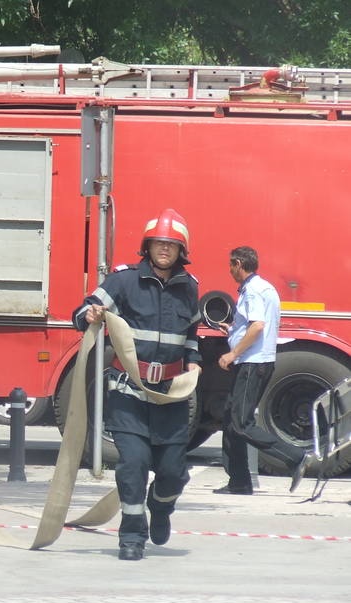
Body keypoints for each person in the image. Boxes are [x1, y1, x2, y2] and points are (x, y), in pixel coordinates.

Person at [72, 208, 202, 561]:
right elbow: (83, 312)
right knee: (133, 466)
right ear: (148, 246)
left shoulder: (190, 288)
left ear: (180, 251)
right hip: (128, 394)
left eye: (171, 245)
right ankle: (131, 535)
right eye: (159, 243)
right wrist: (89, 315)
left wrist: (194, 360)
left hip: (171, 397)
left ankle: (160, 509)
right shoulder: (124, 280)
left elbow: (191, 335)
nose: (164, 250)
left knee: (173, 473)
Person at [214, 246, 314, 495]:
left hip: (252, 362)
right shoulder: (264, 287)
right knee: (230, 419)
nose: (230, 270)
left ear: (239, 263)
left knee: (240, 423)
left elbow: (258, 325)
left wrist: (233, 353)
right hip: (257, 361)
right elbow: (254, 325)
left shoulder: (253, 290)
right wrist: (233, 330)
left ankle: (294, 457)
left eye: (231, 265)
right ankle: (238, 482)